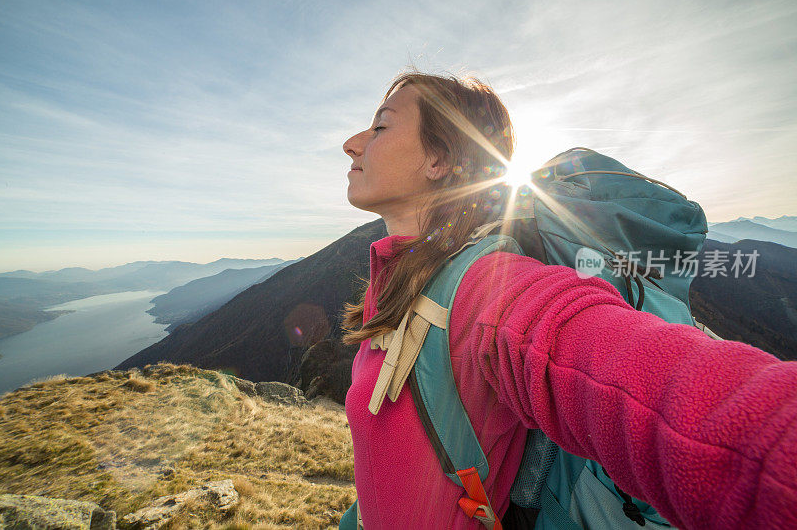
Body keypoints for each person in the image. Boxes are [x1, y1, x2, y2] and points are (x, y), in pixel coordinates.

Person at [340, 69, 797, 529]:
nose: (353, 143)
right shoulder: (399, 284)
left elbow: (642, 383)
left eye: (381, 126)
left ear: (439, 160)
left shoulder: (487, 288)